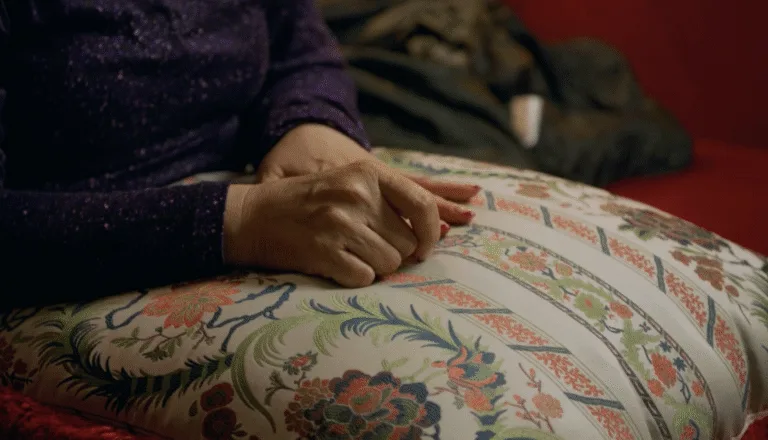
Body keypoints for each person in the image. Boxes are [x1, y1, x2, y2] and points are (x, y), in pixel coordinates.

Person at [0, 0, 479, 308]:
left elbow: (301, 50)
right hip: (73, 269)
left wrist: (311, 122)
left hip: (259, 193)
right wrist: (236, 221)